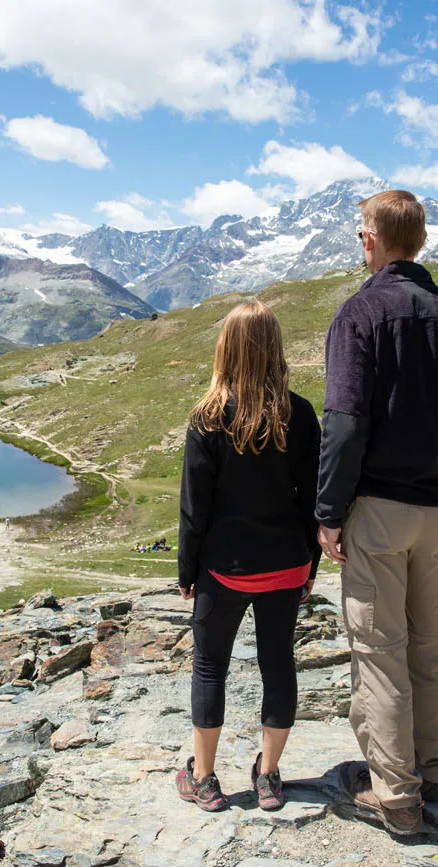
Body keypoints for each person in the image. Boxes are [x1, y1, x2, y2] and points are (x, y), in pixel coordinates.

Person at [316, 191, 438, 837]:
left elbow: (345, 421)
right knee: (433, 646)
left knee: (381, 651)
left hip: (380, 512)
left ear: (371, 240)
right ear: (419, 241)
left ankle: (394, 794)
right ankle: (430, 771)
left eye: (360, 233)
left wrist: (330, 510)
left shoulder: (360, 313)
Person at [174, 299, 321, 814]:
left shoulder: (208, 417)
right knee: (278, 665)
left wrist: (186, 573)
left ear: (226, 349)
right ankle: (269, 776)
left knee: (210, 667)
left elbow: (194, 509)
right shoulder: (299, 413)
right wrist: (310, 568)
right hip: (285, 566)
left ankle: (206, 779)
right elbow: (312, 501)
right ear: (274, 347)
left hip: (224, 569)